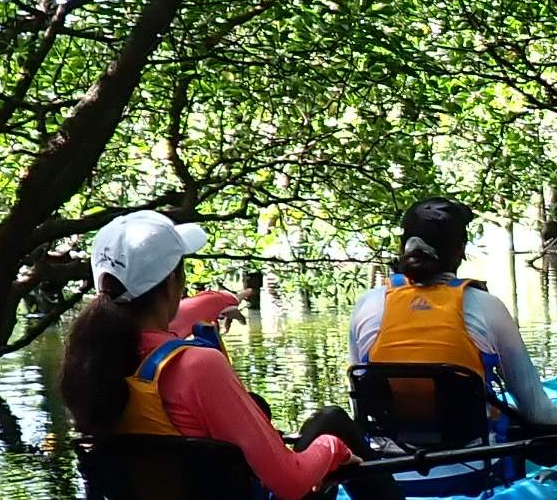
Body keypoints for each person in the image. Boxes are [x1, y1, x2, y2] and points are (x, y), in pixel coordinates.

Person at [61, 210, 395, 500]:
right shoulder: (198, 366)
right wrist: (333, 449)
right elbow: (290, 484)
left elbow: (183, 313)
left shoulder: (91, 360)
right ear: (172, 282)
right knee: (331, 422)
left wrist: (224, 299)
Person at [347, 198, 557, 495]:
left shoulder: (366, 306)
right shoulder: (487, 308)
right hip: (474, 475)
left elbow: (362, 407)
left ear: (403, 247)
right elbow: (538, 413)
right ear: (460, 251)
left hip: (390, 480)